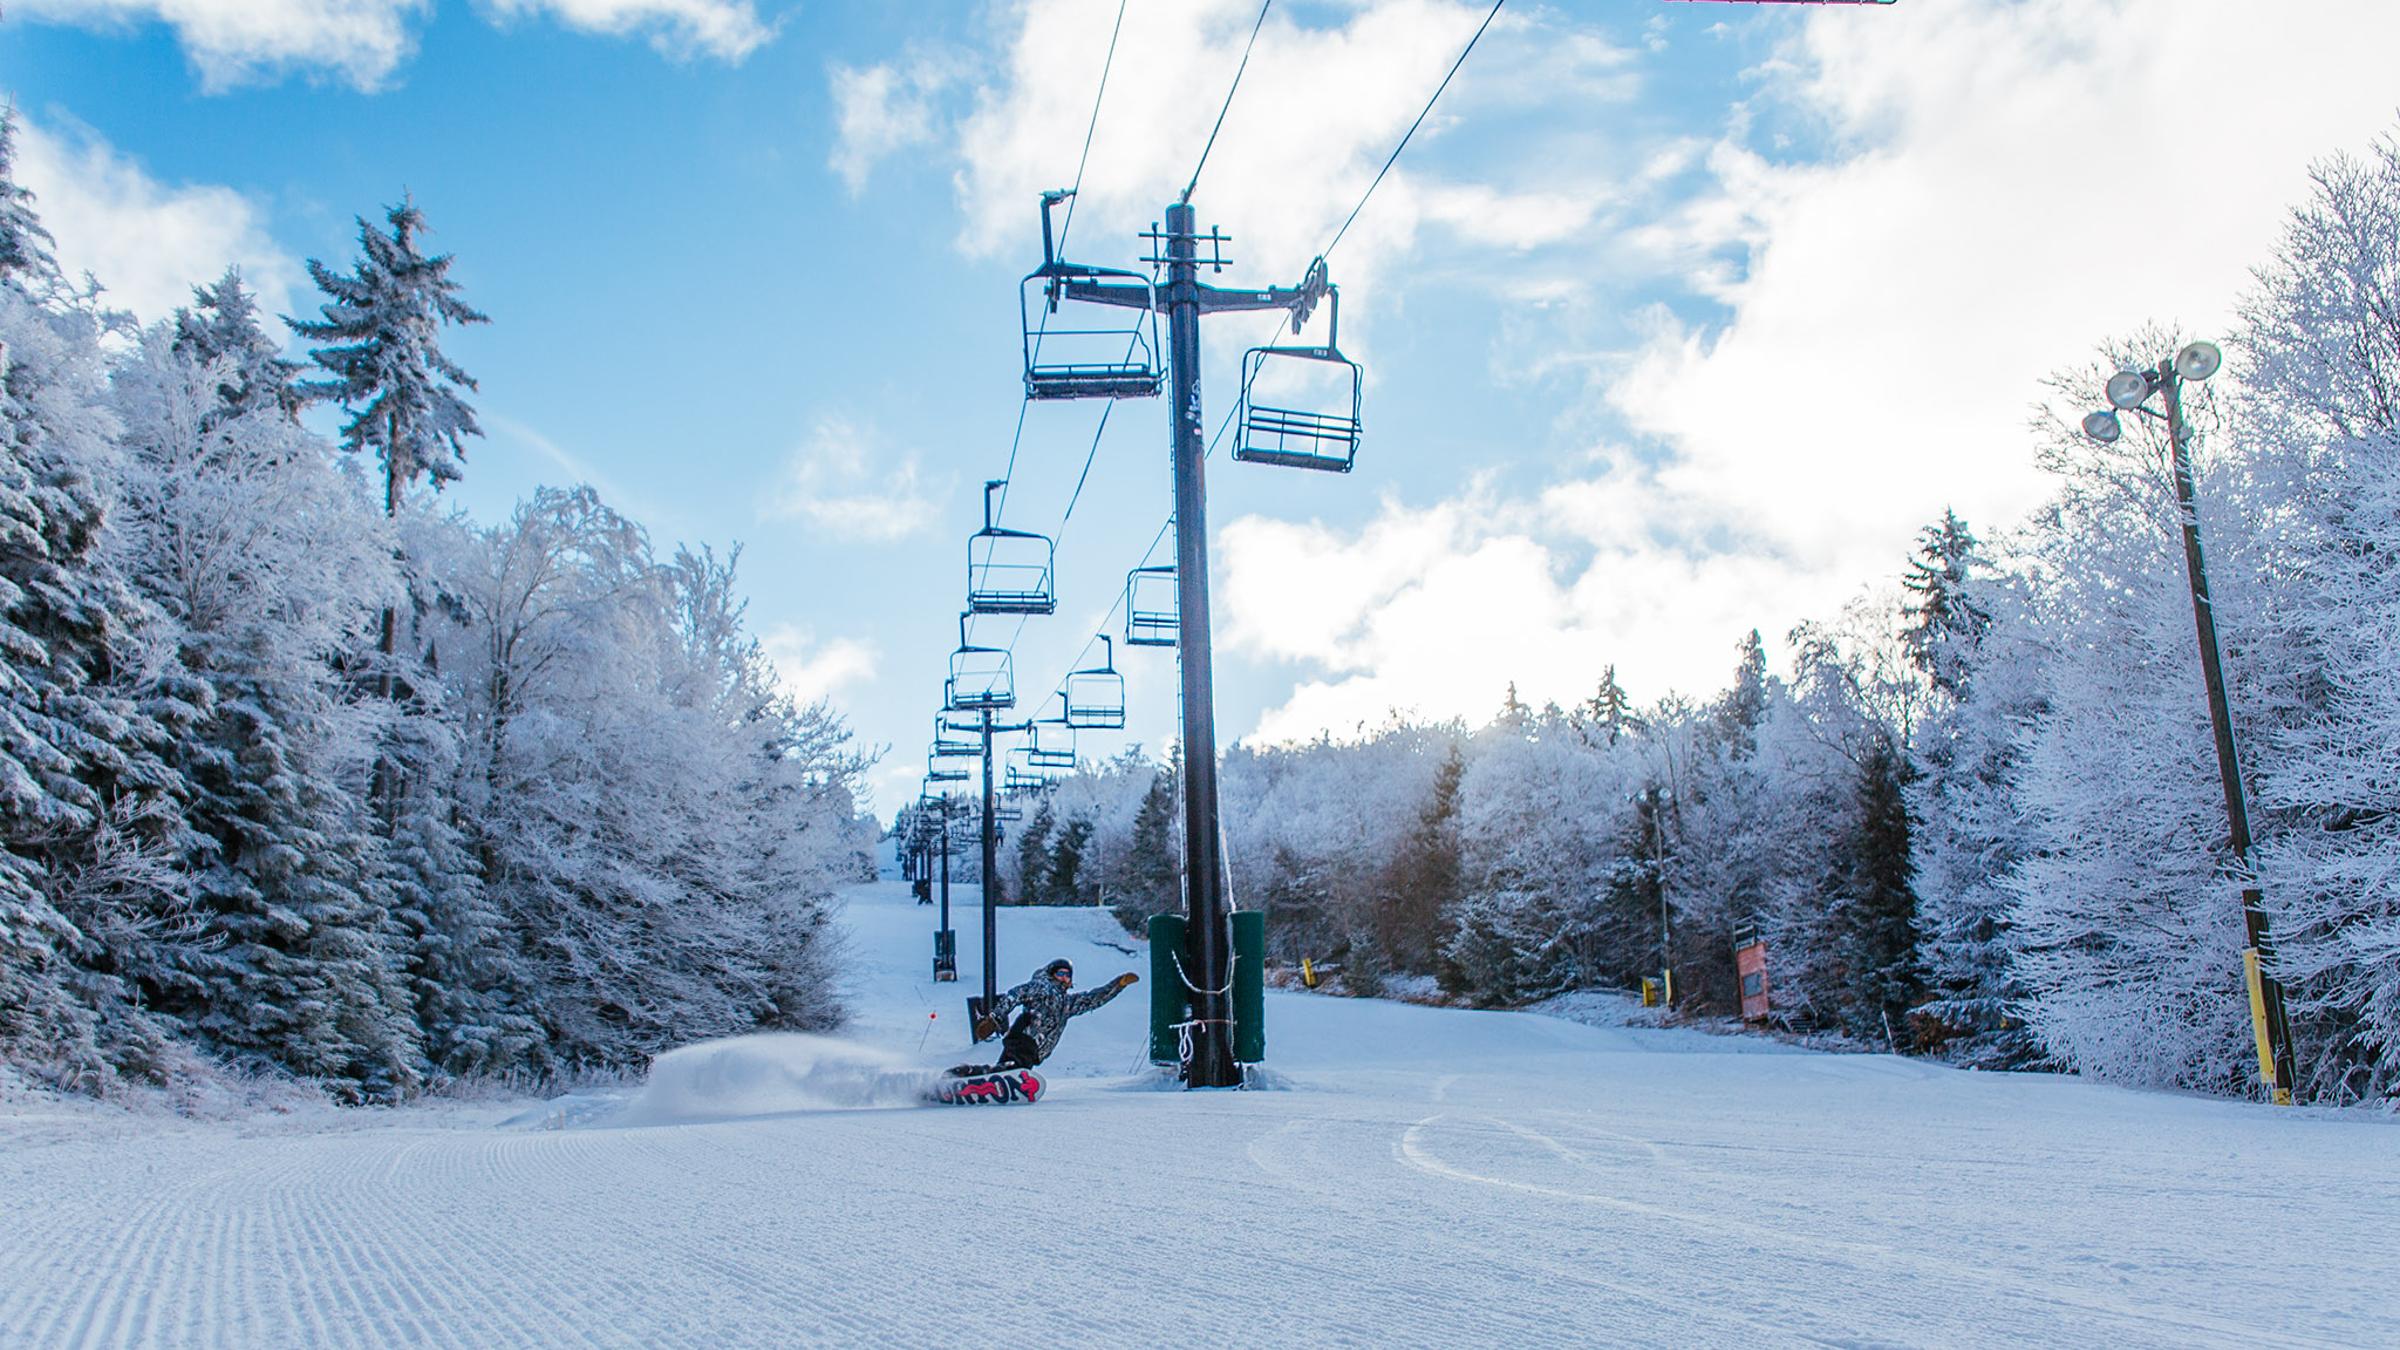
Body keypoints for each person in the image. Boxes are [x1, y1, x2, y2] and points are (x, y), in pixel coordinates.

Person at [948, 958, 1137, 1077]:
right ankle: (970, 1074)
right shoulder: (1042, 987)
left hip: (1035, 1048)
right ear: (1051, 974)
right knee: (1014, 1069)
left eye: (1067, 975)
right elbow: (1015, 994)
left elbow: (1093, 999)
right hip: (1025, 1037)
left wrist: (1118, 984)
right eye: (1060, 973)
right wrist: (994, 1019)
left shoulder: (1067, 1004)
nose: (1064, 978)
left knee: (1006, 1072)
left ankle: (969, 1077)